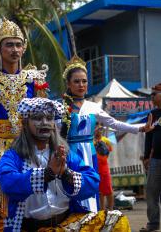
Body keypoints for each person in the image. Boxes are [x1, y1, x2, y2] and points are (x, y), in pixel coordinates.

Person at [0, 97, 131, 232]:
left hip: (67, 225)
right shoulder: (13, 156)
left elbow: (93, 181)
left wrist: (65, 173)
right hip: (30, 227)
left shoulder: (65, 154)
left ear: (54, 124)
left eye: (49, 118)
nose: (44, 123)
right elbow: (8, 183)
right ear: (25, 123)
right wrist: (47, 174)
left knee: (116, 219)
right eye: (37, 118)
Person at [0, 17, 49, 231]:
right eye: (9, 44)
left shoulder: (33, 79)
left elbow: (44, 115)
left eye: (18, 44)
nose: (14, 49)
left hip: (27, 146)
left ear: (23, 49)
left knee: (29, 197)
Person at [60, 55, 153, 212]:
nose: (81, 85)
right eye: (76, 81)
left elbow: (115, 124)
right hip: (72, 153)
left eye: (84, 81)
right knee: (73, 188)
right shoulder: (61, 107)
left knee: (91, 188)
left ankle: (91, 218)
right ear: (68, 84)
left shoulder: (92, 106)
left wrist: (141, 127)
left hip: (90, 153)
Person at [140, 83, 161, 232]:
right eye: (151, 94)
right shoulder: (153, 114)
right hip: (155, 160)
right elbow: (148, 137)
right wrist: (146, 157)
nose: (151, 97)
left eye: (154, 94)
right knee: (151, 192)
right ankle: (153, 224)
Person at [94, 125, 114, 210]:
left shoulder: (106, 140)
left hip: (104, 168)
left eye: (100, 129)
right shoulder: (91, 141)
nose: (98, 131)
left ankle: (111, 209)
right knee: (99, 191)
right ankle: (101, 210)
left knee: (109, 190)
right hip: (95, 168)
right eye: (97, 129)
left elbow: (109, 151)